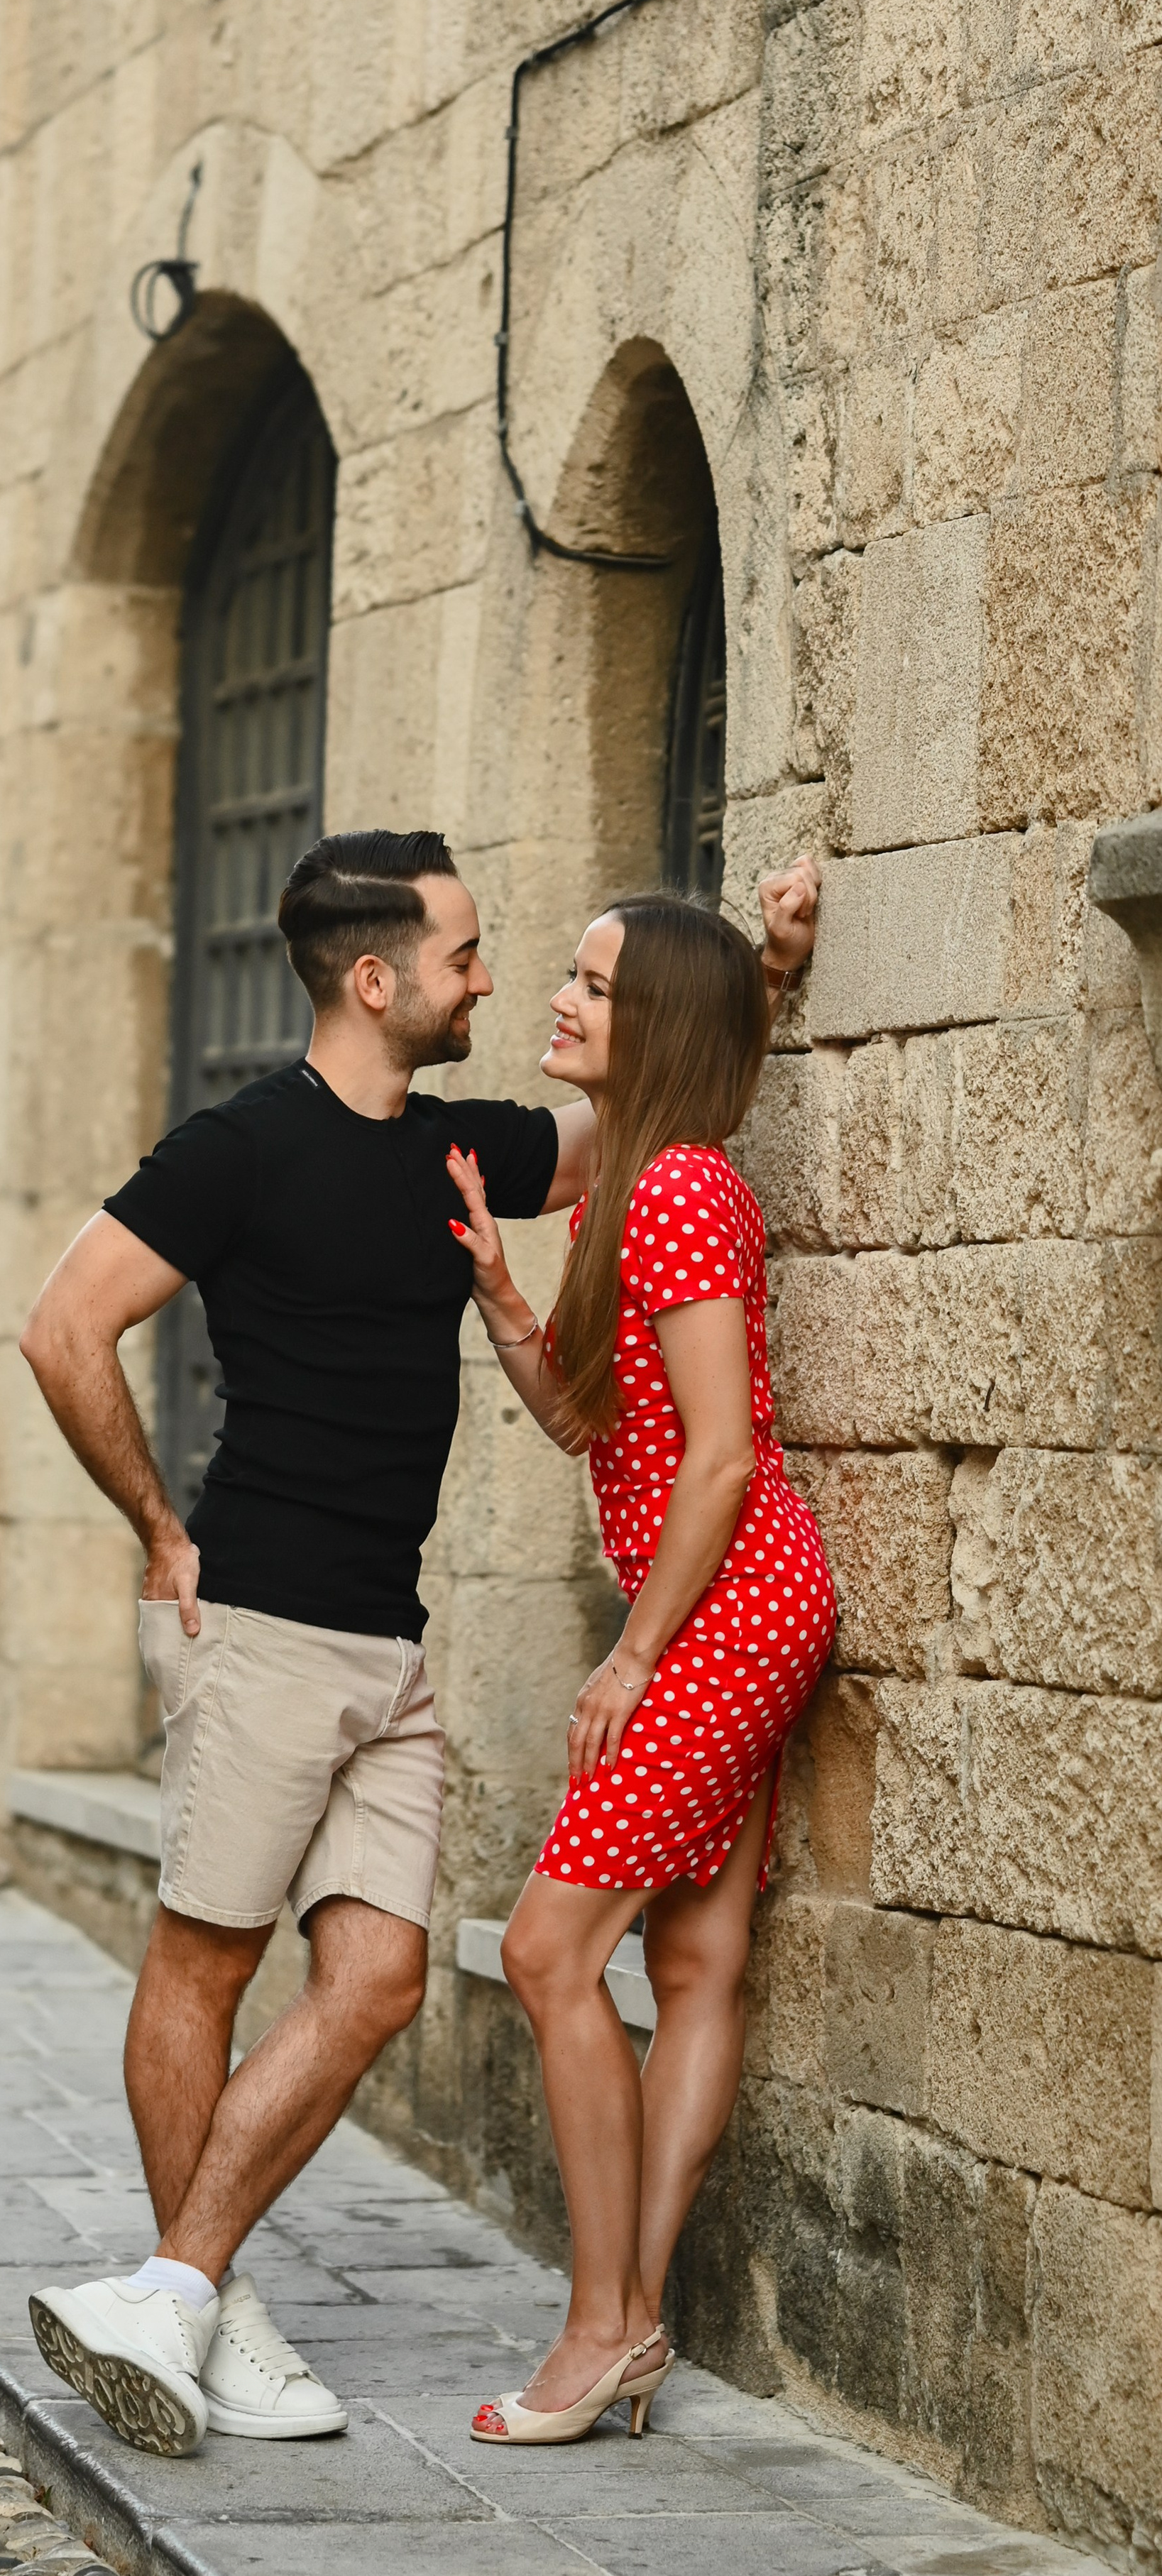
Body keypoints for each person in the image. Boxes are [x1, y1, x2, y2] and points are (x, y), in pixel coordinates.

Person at [18, 828, 819, 2459]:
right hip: (255, 1618)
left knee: (377, 1977)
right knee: (206, 1959)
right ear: (374, 980)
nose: (486, 977)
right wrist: (157, 1529)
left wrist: (769, 974)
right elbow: (63, 1324)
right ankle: (204, 2305)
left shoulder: (458, 1151)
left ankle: (174, 2288)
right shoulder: (234, 1148)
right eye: (462, 954)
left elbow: (648, 1102)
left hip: (387, 1641)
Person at [444, 875, 832, 2447]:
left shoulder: (672, 1194)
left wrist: (632, 1656)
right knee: (687, 1962)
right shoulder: (641, 1179)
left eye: (592, 986)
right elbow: (591, 1428)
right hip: (740, 1606)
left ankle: (601, 2324)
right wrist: (500, 1300)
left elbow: (724, 1460)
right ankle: (633, 2323)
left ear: (649, 1024)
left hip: (726, 1612)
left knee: (548, 1953)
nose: (559, 1000)